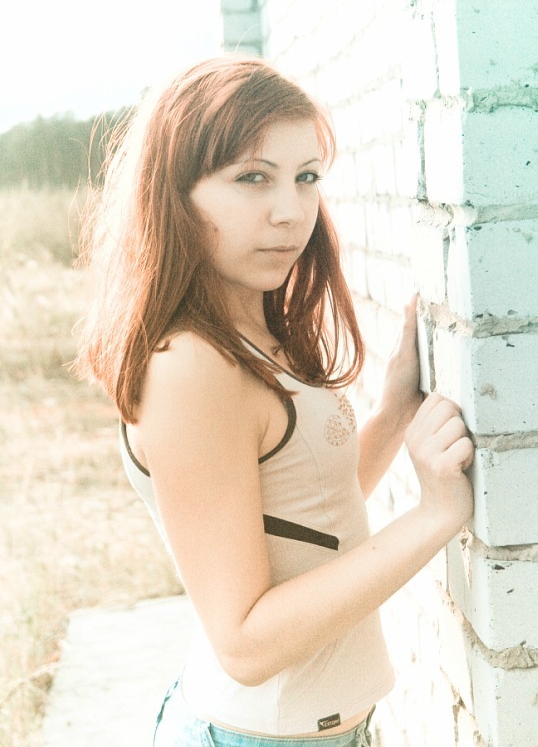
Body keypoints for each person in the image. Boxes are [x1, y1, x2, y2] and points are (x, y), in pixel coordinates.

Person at [76, 57, 474, 747]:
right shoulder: (191, 366)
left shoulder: (251, 332)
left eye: (306, 177)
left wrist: (391, 415)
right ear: (174, 195)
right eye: (253, 177)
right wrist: (434, 516)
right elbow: (245, 643)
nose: (291, 211)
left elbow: (303, 513)